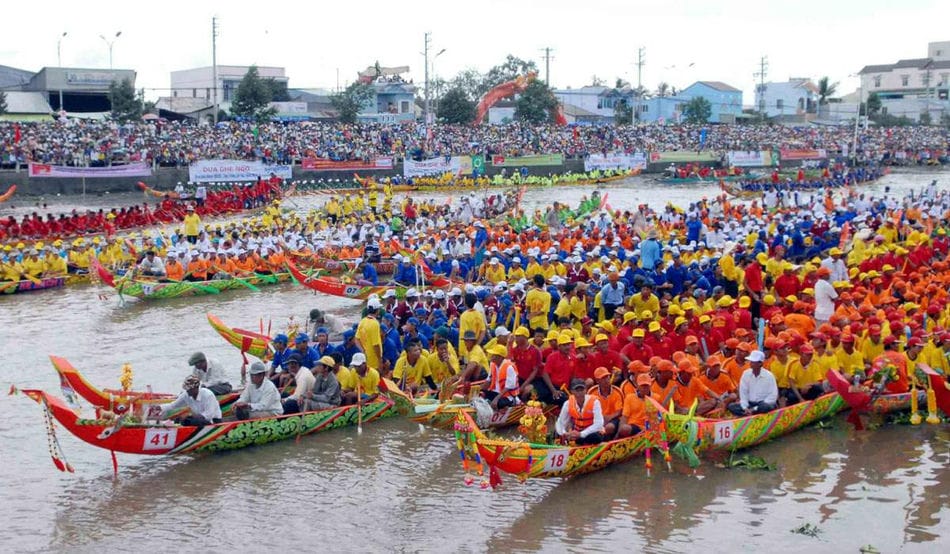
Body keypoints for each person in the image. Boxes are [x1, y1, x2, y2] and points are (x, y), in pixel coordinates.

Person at [555, 378, 605, 445]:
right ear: (572, 391)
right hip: (576, 434)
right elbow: (560, 422)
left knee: (594, 437)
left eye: (582, 390)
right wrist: (565, 433)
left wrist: (581, 434)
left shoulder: (595, 402)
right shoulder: (567, 403)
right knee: (560, 433)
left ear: (586, 390)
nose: (580, 393)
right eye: (577, 390)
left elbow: (599, 424)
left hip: (593, 433)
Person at [157, 375, 222, 426]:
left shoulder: (208, 395)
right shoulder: (186, 394)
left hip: (213, 421)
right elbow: (173, 405)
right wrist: (159, 407)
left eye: (189, 389)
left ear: (196, 388)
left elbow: (208, 415)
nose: (187, 391)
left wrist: (189, 416)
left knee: (192, 420)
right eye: (187, 389)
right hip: (198, 420)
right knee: (178, 420)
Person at [728, 350, 778, 416]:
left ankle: (750, 413)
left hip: (762, 404)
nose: (750, 363)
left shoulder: (769, 376)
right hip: (750, 404)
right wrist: (745, 407)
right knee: (732, 406)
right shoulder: (746, 374)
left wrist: (754, 409)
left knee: (766, 406)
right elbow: (743, 394)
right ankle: (749, 413)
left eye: (753, 362)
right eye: (751, 361)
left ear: (760, 363)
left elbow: (773, 396)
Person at [484, 344, 520, 409]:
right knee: (481, 397)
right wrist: (480, 391)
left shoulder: (509, 367)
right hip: (495, 392)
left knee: (498, 404)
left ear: (500, 357)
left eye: (494, 355)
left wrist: (496, 399)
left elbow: (508, 387)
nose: (491, 357)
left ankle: (513, 404)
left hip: (508, 396)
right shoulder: (493, 364)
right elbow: (488, 380)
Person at [619, 373, 654, 437]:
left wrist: (649, 428)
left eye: (647, 385)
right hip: (634, 427)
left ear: (650, 386)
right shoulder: (629, 398)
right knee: (624, 429)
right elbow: (624, 417)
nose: (645, 388)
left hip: (650, 428)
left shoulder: (656, 398)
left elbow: (659, 418)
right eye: (642, 385)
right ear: (637, 386)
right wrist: (621, 429)